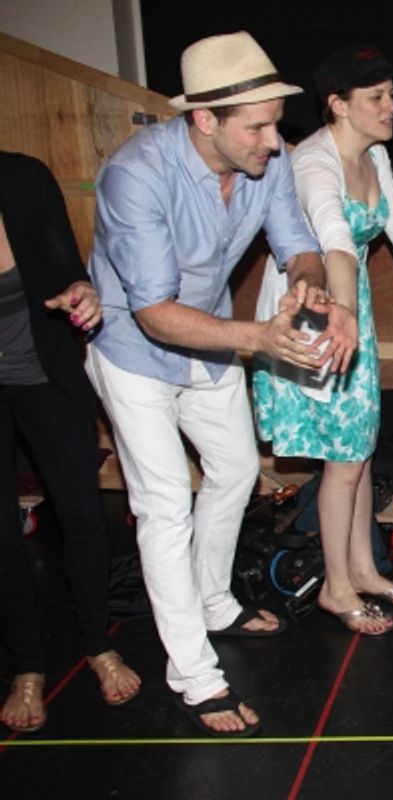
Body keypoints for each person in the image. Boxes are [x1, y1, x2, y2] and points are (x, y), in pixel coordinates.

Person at [86, 32, 353, 736]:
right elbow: (153, 312)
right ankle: (195, 676)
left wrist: (308, 287)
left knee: (236, 470)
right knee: (165, 505)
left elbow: (298, 246)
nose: (274, 139)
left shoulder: (266, 159)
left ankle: (212, 602)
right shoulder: (136, 176)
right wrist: (259, 338)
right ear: (205, 119)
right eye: (258, 126)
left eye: (275, 123)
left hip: (210, 344)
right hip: (135, 351)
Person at [253, 45, 393, 633]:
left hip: (351, 308)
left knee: (359, 451)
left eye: (392, 95)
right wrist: (343, 315)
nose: (391, 105)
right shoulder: (313, 162)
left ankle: (364, 571)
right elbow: (335, 244)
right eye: (377, 96)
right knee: (343, 460)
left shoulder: (374, 154)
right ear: (338, 105)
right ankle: (337, 586)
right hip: (313, 311)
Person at [1, 151, 141, 733]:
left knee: (82, 514)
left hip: (44, 375)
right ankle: (26, 668)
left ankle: (97, 645)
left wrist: (81, 291)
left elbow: (65, 267)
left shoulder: (24, 179)